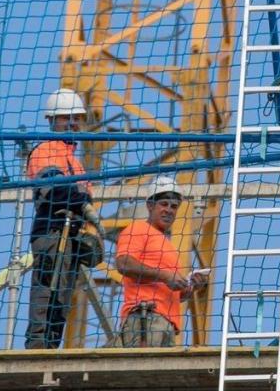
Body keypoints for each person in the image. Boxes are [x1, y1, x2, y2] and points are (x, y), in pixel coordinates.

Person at [24, 88, 102, 349]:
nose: (72, 123)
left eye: (76, 118)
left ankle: (50, 348)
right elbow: (55, 188)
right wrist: (84, 206)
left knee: (62, 299)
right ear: (51, 120)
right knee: (46, 291)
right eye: (64, 117)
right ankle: (37, 348)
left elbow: (81, 195)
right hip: (52, 230)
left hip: (70, 236)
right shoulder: (45, 150)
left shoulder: (75, 163)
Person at [115, 175, 208, 347]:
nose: (169, 210)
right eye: (164, 204)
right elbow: (124, 264)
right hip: (145, 317)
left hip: (167, 324)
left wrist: (192, 286)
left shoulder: (168, 245)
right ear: (150, 206)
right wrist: (165, 276)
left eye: (174, 206)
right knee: (143, 370)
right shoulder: (138, 229)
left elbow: (173, 293)